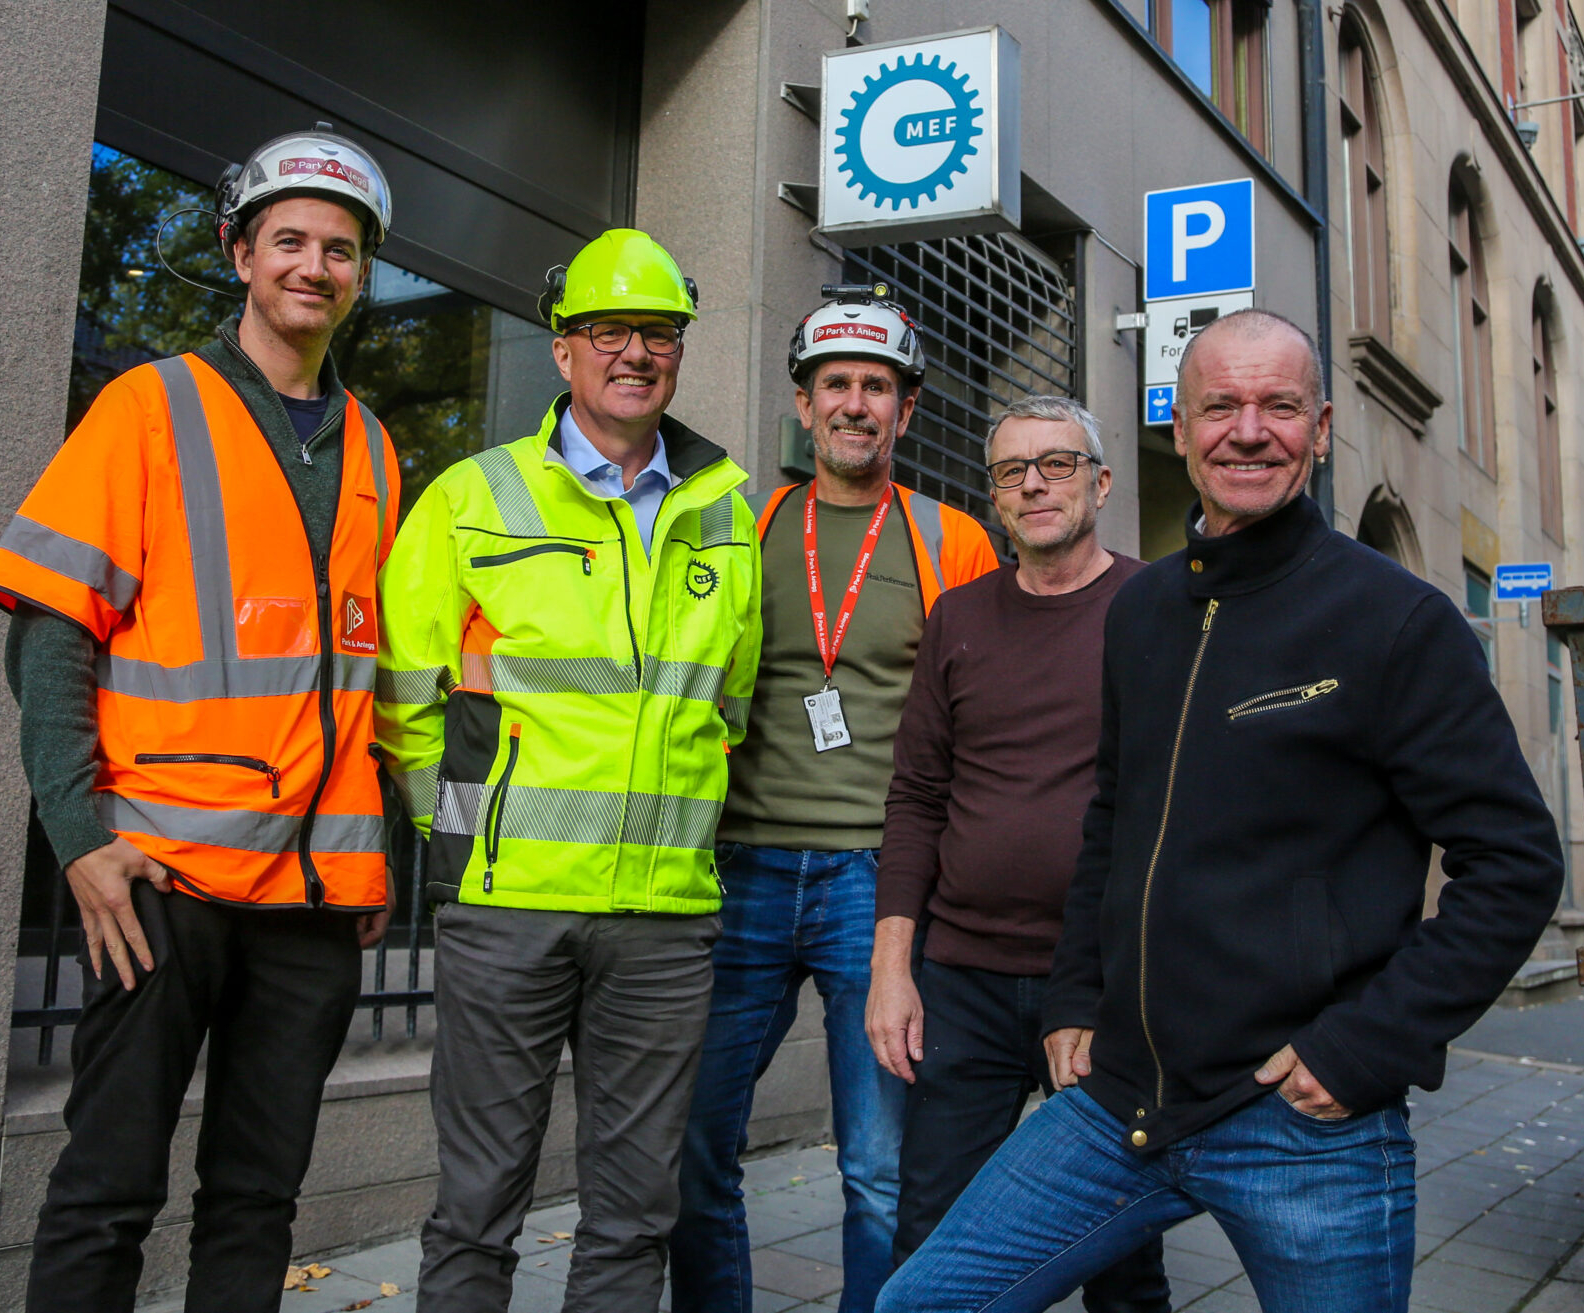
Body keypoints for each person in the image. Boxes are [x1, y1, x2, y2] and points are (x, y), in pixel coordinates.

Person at [878, 309, 1564, 1313]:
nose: (1250, 430)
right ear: (1180, 428)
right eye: (1222, 406)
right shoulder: (1145, 612)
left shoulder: (1395, 620)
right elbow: (1112, 818)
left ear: (1320, 427)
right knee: (919, 1300)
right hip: (1121, 1098)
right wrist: (1074, 995)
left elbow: (1515, 863)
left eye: (1279, 406)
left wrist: (1366, 1045)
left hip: (1301, 1114)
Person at [0, 125, 400, 1313]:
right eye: (290, 242)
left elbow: (364, 682)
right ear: (240, 253)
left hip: (314, 909)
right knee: (108, 1189)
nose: (314, 266)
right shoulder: (149, 405)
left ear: (361, 272)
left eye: (340, 249)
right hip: (159, 883)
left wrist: (370, 865)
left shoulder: (375, 446)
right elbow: (50, 629)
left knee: (259, 1199)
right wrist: (81, 833)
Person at [375, 228, 761, 1313]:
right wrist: (464, 844)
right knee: (477, 1205)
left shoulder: (725, 514)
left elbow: (728, 707)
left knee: (636, 1215)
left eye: (658, 333)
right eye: (608, 331)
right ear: (562, 349)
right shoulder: (470, 499)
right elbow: (405, 701)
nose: (634, 352)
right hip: (510, 910)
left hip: (665, 919)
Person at [670, 287, 999, 1313]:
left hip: (880, 884)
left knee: (878, 1166)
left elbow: (982, 726)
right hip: (745, 868)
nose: (857, 403)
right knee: (693, 1141)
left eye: (878, 386)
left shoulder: (955, 543)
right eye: (837, 384)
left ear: (905, 409)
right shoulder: (739, 527)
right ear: (804, 406)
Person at [868, 394, 1170, 1313]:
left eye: (1058, 463)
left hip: (1111, 985)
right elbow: (917, 796)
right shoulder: (957, 618)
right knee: (933, 1231)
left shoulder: (1158, 606)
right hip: (962, 978)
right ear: (994, 496)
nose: (1034, 483)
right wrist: (893, 967)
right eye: (1012, 470)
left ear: (1101, 481)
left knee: (1117, 1249)